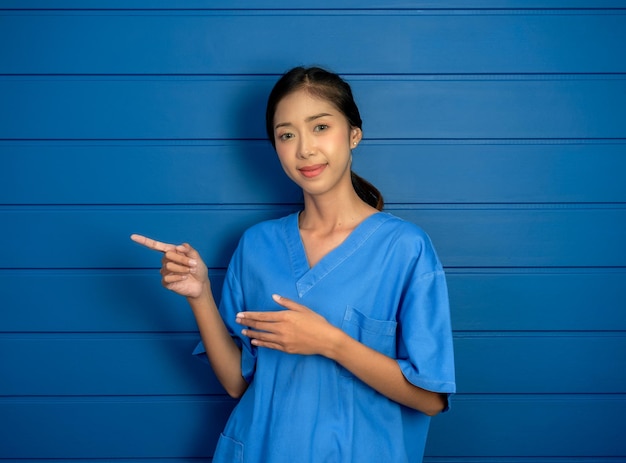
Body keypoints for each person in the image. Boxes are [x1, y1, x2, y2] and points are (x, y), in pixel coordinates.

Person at [131, 66, 455, 462]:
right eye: (287, 134)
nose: (304, 149)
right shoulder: (257, 245)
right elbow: (237, 383)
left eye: (320, 127)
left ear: (354, 134)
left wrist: (330, 342)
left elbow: (431, 399)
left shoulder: (405, 248)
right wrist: (199, 295)